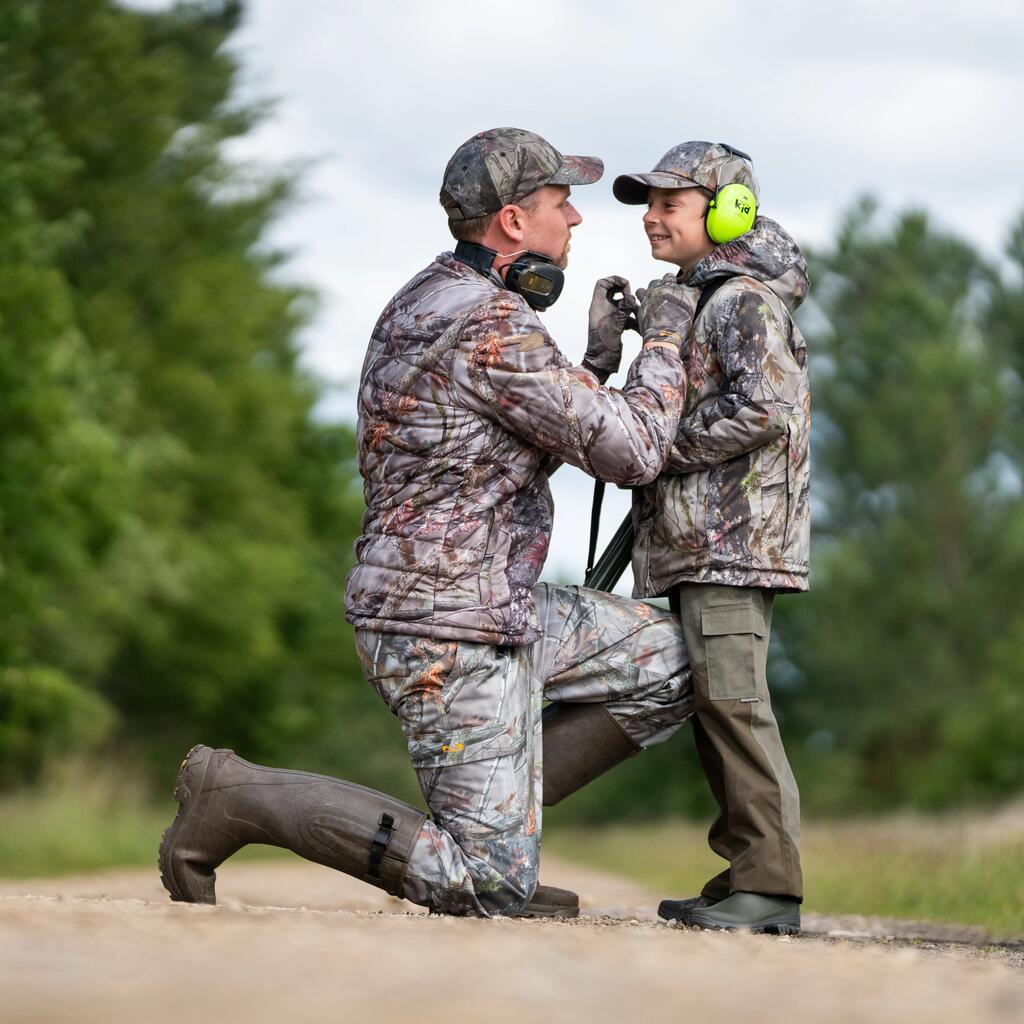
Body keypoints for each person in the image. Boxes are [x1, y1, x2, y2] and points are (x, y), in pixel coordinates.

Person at [159, 127, 702, 919]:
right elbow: (633, 449)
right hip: (445, 627)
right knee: (485, 886)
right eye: (561, 202)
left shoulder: (430, 298)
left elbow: (500, 448)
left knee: (678, 661)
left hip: (493, 602)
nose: (576, 221)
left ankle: (499, 821)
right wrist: (664, 335)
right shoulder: (490, 325)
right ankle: (234, 796)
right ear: (513, 222)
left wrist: (591, 362)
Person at [615, 142, 811, 934]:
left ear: (728, 213)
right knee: (711, 706)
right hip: (698, 545)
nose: (652, 217)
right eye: (648, 202)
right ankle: (743, 874)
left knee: (735, 704)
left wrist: (663, 447)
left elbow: (766, 407)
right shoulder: (700, 300)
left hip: (731, 546)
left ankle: (771, 886)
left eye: (670, 203)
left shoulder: (742, 302)